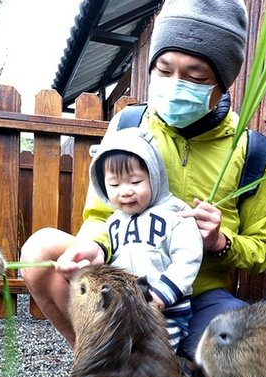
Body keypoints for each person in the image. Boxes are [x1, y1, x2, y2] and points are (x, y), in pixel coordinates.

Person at [20, 0, 266, 377]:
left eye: (195, 75)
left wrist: (221, 241)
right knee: (39, 251)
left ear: (223, 81)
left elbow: (263, 249)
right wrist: (94, 245)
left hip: (198, 295)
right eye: (164, 69)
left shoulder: (249, 151)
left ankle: (188, 369)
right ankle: (101, 363)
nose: (176, 84)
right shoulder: (129, 127)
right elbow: (101, 213)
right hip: (129, 278)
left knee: (256, 352)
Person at [74, 127, 203, 350]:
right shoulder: (114, 222)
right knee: (124, 351)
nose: (125, 191)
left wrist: (161, 295)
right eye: (114, 185)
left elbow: (188, 257)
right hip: (127, 308)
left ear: (154, 176)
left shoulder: (175, 213)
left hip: (168, 309)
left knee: (159, 353)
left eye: (135, 182)